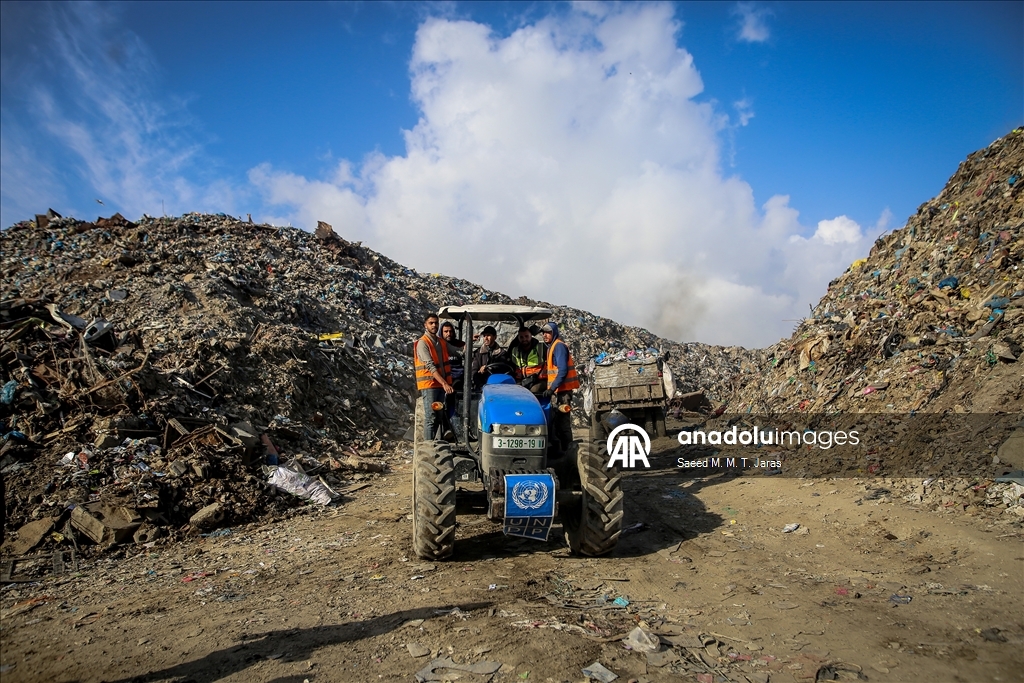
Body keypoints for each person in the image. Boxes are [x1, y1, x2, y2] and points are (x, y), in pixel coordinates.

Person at [540, 321, 580, 453]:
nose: (545, 335)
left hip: (563, 392)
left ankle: (569, 453)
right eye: (544, 333)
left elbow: (562, 371)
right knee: (556, 423)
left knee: (563, 424)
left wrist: (552, 388)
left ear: (554, 333)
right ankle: (561, 450)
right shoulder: (551, 347)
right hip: (558, 391)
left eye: (548, 332)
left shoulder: (559, 347)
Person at [413, 313, 453, 440]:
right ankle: (428, 446)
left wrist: (470, 342)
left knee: (439, 416)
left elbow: (456, 351)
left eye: (436, 323)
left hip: (439, 385)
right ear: (426, 325)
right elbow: (430, 367)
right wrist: (444, 383)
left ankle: (436, 442)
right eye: (431, 323)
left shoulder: (441, 342)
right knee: (431, 417)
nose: (434, 325)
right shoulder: (422, 343)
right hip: (430, 385)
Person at [508, 325, 545, 394]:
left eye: (526, 336)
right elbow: (509, 364)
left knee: (532, 392)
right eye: (521, 337)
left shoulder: (541, 348)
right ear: (518, 338)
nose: (524, 339)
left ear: (531, 336)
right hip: (522, 381)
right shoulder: (515, 350)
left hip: (538, 380)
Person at [470, 325, 508, 389]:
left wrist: (489, 368)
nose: (486, 338)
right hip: (481, 385)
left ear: (495, 337)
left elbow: (502, 367)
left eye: (488, 335)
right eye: (484, 336)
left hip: (498, 385)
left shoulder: (502, 353)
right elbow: (474, 371)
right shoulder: (478, 353)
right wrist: (480, 385)